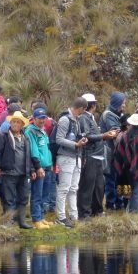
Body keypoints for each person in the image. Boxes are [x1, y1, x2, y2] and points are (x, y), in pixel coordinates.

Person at [0, 111, 41, 229]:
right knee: (9, 198)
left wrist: (33, 169)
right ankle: (8, 221)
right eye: (13, 122)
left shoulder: (26, 137)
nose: (15, 124)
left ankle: (22, 221)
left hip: (24, 173)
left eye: (17, 122)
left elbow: (29, 155)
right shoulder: (4, 136)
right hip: (8, 172)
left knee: (23, 198)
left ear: (22, 124)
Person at [78, 96, 116, 218]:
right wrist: (103, 135)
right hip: (89, 155)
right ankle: (85, 213)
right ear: (93, 105)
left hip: (97, 156)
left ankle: (97, 210)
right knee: (87, 186)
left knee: (99, 185)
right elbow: (87, 136)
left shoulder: (90, 117)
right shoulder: (84, 118)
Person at [56, 97, 89, 228]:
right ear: (81, 108)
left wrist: (81, 141)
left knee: (74, 188)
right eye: (83, 110)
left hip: (76, 157)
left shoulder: (77, 120)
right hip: (65, 157)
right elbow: (59, 139)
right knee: (64, 188)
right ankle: (61, 217)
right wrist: (75, 144)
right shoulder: (65, 120)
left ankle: (74, 216)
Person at [25, 109, 53, 228]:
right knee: (37, 193)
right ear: (34, 118)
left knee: (44, 194)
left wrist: (50, 162)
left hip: (47, 166)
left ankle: (41, 217)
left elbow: (46, 148)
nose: (42, 120)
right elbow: (34, 151)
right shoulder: (30, 131)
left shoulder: (43, 130)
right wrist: (38, 167)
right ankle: (36, 219)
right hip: (39, 167)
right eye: (40, 118)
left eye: (44, 118)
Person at [100, 92, 126, 211]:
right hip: (110, 151)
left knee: (120, 177)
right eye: (123, 103)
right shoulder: (108, 115)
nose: (124, 105)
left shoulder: (119, 114)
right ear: (118, 103)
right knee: (111, 178)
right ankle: (110, 203)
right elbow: (114, 131)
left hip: (120, 152)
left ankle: (120, 202)